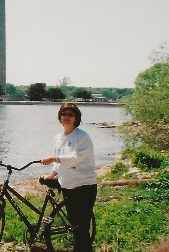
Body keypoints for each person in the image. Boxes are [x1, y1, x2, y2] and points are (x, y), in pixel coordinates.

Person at [41, 103, 97, 252]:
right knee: (74, 224)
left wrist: (54, 158)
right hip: (67, 185)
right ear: (60, 117)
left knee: (81, 227)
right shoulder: (58, 137)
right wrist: (52, 174)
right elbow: (58, 162)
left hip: (84, 185)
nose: (66, 117)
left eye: (70, 115)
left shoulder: (82, 136)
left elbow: (76, 157)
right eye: (63, 114)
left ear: (76, 118)